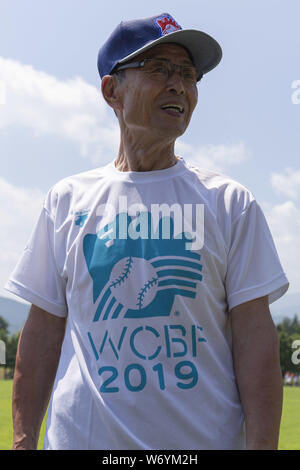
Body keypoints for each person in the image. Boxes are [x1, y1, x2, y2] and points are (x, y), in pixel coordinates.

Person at [6, 12, 289, 451]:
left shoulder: (230, 204)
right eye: (160, 69)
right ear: (111, 91)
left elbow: (256, 342)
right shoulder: (65, 201)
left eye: (188, 74)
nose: (179, 85)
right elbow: (41, 333)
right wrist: (23, 441)